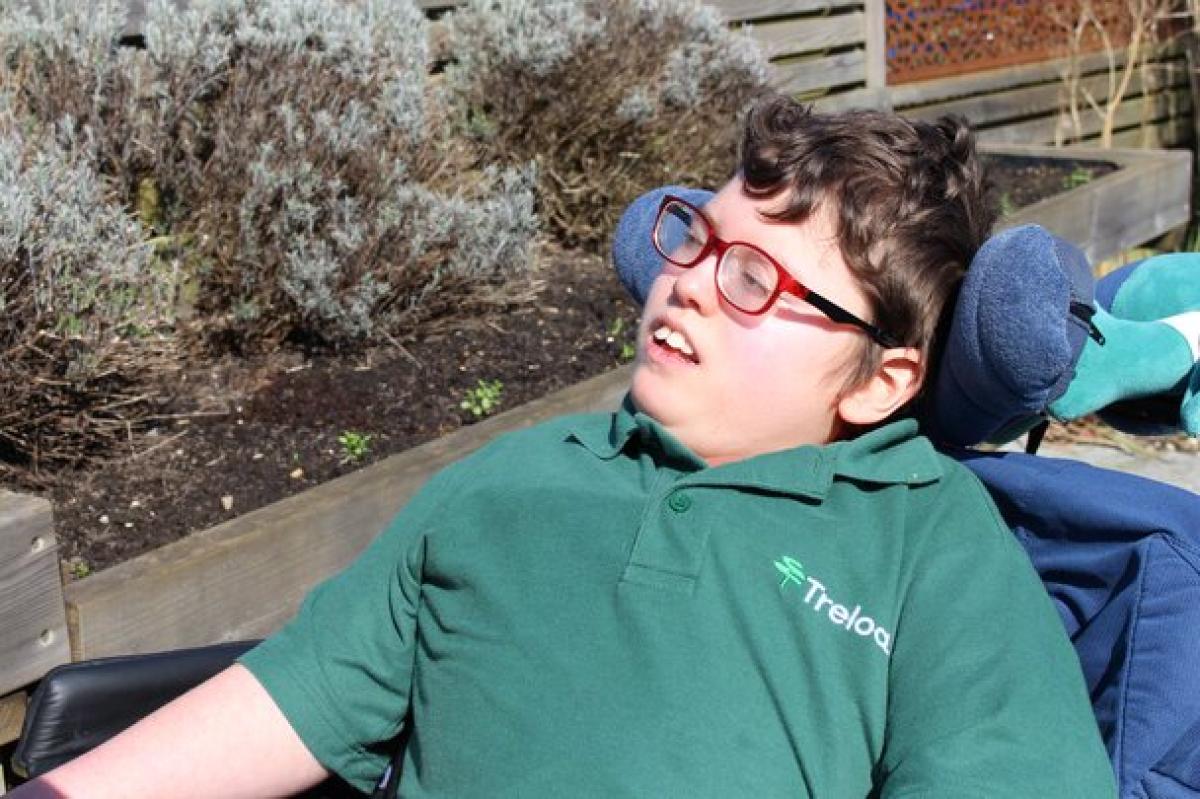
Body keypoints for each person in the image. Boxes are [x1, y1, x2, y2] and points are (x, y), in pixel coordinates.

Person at [12, 94, 1117, 798]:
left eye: (753, 280)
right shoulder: (512, 483)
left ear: (881, 380)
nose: (686, 284)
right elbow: (290, 697)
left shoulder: (933, 549)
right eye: (696, 240)